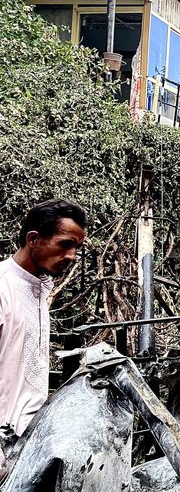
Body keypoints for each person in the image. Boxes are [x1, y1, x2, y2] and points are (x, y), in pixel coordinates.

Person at [0, 199, 86, 467]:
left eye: (77, 248)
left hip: (29, 441)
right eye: (64, 244)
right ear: (34, 239)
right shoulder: (3, 287)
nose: (72, 256)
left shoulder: (39, 287)